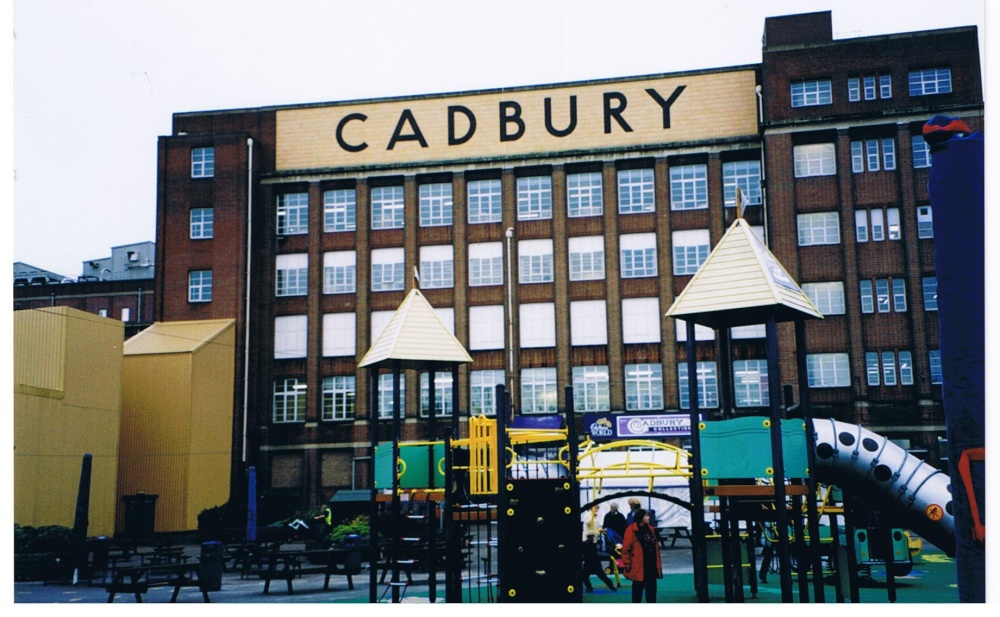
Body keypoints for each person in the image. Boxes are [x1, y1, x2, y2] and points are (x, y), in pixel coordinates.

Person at [621, 508, 663, 603]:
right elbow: (625, 549)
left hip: (651, 565)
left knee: (651, 593)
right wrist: (627, 563)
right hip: (638, 566)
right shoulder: (631, 530)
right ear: (641, 518)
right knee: (637, 592)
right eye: (646, 516)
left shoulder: (651, 529)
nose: (649, 517)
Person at [581, 505, 617, 592]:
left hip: (592, 543)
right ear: (591, 508)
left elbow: (595, 527)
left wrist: (601, 529)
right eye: (596, 508)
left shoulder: (594, 516)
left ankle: (590, 586)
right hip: (587, 544)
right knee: (595, 569)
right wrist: (593, 515)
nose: (597, 509)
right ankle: (609, 584)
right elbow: (588, 522)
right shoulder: (588, 515)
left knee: (588, 569)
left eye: (598, 508)